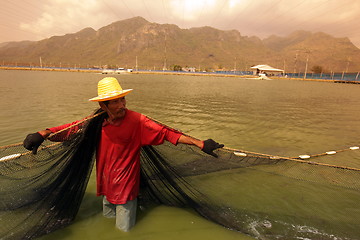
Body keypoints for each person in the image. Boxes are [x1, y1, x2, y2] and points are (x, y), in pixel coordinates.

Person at [23, 77, 224, 232]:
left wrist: (199, 143)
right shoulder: (96, 121)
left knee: (124, 230)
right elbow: (71, 129)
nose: (122, 105)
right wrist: (44, 133)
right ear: (103, 106)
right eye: (115, 102)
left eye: (122, 99)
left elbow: (167, 132)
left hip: (126, 187)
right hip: (105, 182)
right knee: (108, 220)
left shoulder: (138, 121)